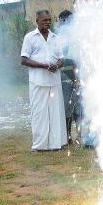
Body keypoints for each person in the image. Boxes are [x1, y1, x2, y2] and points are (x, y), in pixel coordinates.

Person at [21, 10, 67, 151]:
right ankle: (39, 146)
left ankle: (56, 144)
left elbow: (62, 58)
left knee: (55, 113)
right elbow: (24, 59)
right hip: (38, 81)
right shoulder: (30, 37)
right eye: (44, 20)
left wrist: (57, 65)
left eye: (49, 20)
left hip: (54, 81)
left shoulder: (56, 38)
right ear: (37, 21)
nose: (47, 22)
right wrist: (43, 66)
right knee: (39, 113)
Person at [58, 10, 81, 144]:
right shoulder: (58, 38)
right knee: (67, 108)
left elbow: (76, 61)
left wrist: (77, 79)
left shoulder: (77, 37)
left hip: (76, 76)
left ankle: (79, 135)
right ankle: (67, 136)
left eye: (63, 21)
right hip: (63, 77)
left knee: (79, 108)